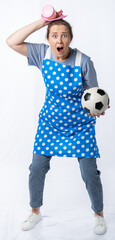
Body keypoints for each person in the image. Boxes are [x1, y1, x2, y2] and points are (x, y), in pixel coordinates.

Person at [6, 11, 108, 235]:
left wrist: (99, 109)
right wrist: (43, 22)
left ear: (70, 38)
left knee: (90, 173)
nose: (59, 40)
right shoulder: (41, 54)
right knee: (37, 169)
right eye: (54, 35)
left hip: (80, 127)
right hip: (50, 125)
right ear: (48, 39)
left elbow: (94, 94)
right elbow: (11, 41)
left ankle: (99, 215)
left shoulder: (84, 61)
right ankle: (35, 212)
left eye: (64, 35)